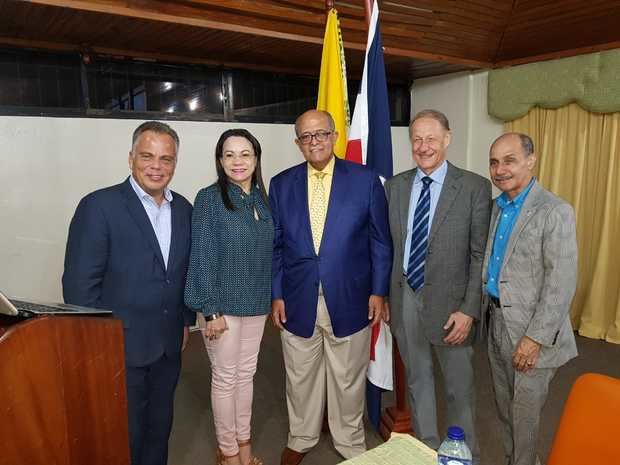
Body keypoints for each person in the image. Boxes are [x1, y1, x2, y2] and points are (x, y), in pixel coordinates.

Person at [62, 121, 195, 465]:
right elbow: (79, 285)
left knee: (159, 429)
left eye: (166, 159)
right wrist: (94, 345)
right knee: (123, 435)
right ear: (131, 158)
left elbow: (182, 274)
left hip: (168, 346)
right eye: (147, 156)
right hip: (119, 347)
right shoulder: (99, 206)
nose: (157, 166)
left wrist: (184, 321)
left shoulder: (183, 209)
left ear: (175, 163)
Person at [270, 109, 392, 465]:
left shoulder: (365, 179)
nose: (315, 142)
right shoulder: (281, 184)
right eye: (306, 137)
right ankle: (302, 436)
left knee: (347, 377)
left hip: (352, 295)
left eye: (321, 134)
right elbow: (275, 246)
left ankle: (350, 441)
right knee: (300, 375)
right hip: (296, 297)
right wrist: (277, 293)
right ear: (298, 143)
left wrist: (378, 291)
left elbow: (380, 242)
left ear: (335, 135)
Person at [385, 109, 491, 461]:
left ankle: (464, 456)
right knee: (418, 381)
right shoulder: (396, 186)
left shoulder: (474, 187)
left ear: (448, 138)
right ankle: (427, 451)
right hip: (405, 300)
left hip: (453, 307)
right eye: (417, 138)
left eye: (431, 138)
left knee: (459, 389)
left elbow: (480, 256)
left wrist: (469, 310)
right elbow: (389, 246)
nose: (423, 146)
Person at [483, 133, 578, 465]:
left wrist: (535, 338)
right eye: (494, 162)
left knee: (525, 421)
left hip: (530, 335)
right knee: (506, 411)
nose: (500, 169)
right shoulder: (498, 207)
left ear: (530, 160)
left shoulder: (555, 211)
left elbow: (561, 283)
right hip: (496, 323)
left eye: (509, 160)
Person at [184, 129, 273, 465]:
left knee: (246, 375)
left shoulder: (263, 199)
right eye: (229, 155)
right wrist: (210, 310)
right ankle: (229, 452)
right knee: (224, 378)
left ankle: (244, 444)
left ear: (256, 158)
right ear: (220, 161)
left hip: (256, 305)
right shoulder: (209, 198)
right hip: (221, 308)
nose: (238, 162)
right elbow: (202, 255)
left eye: (245, 154)